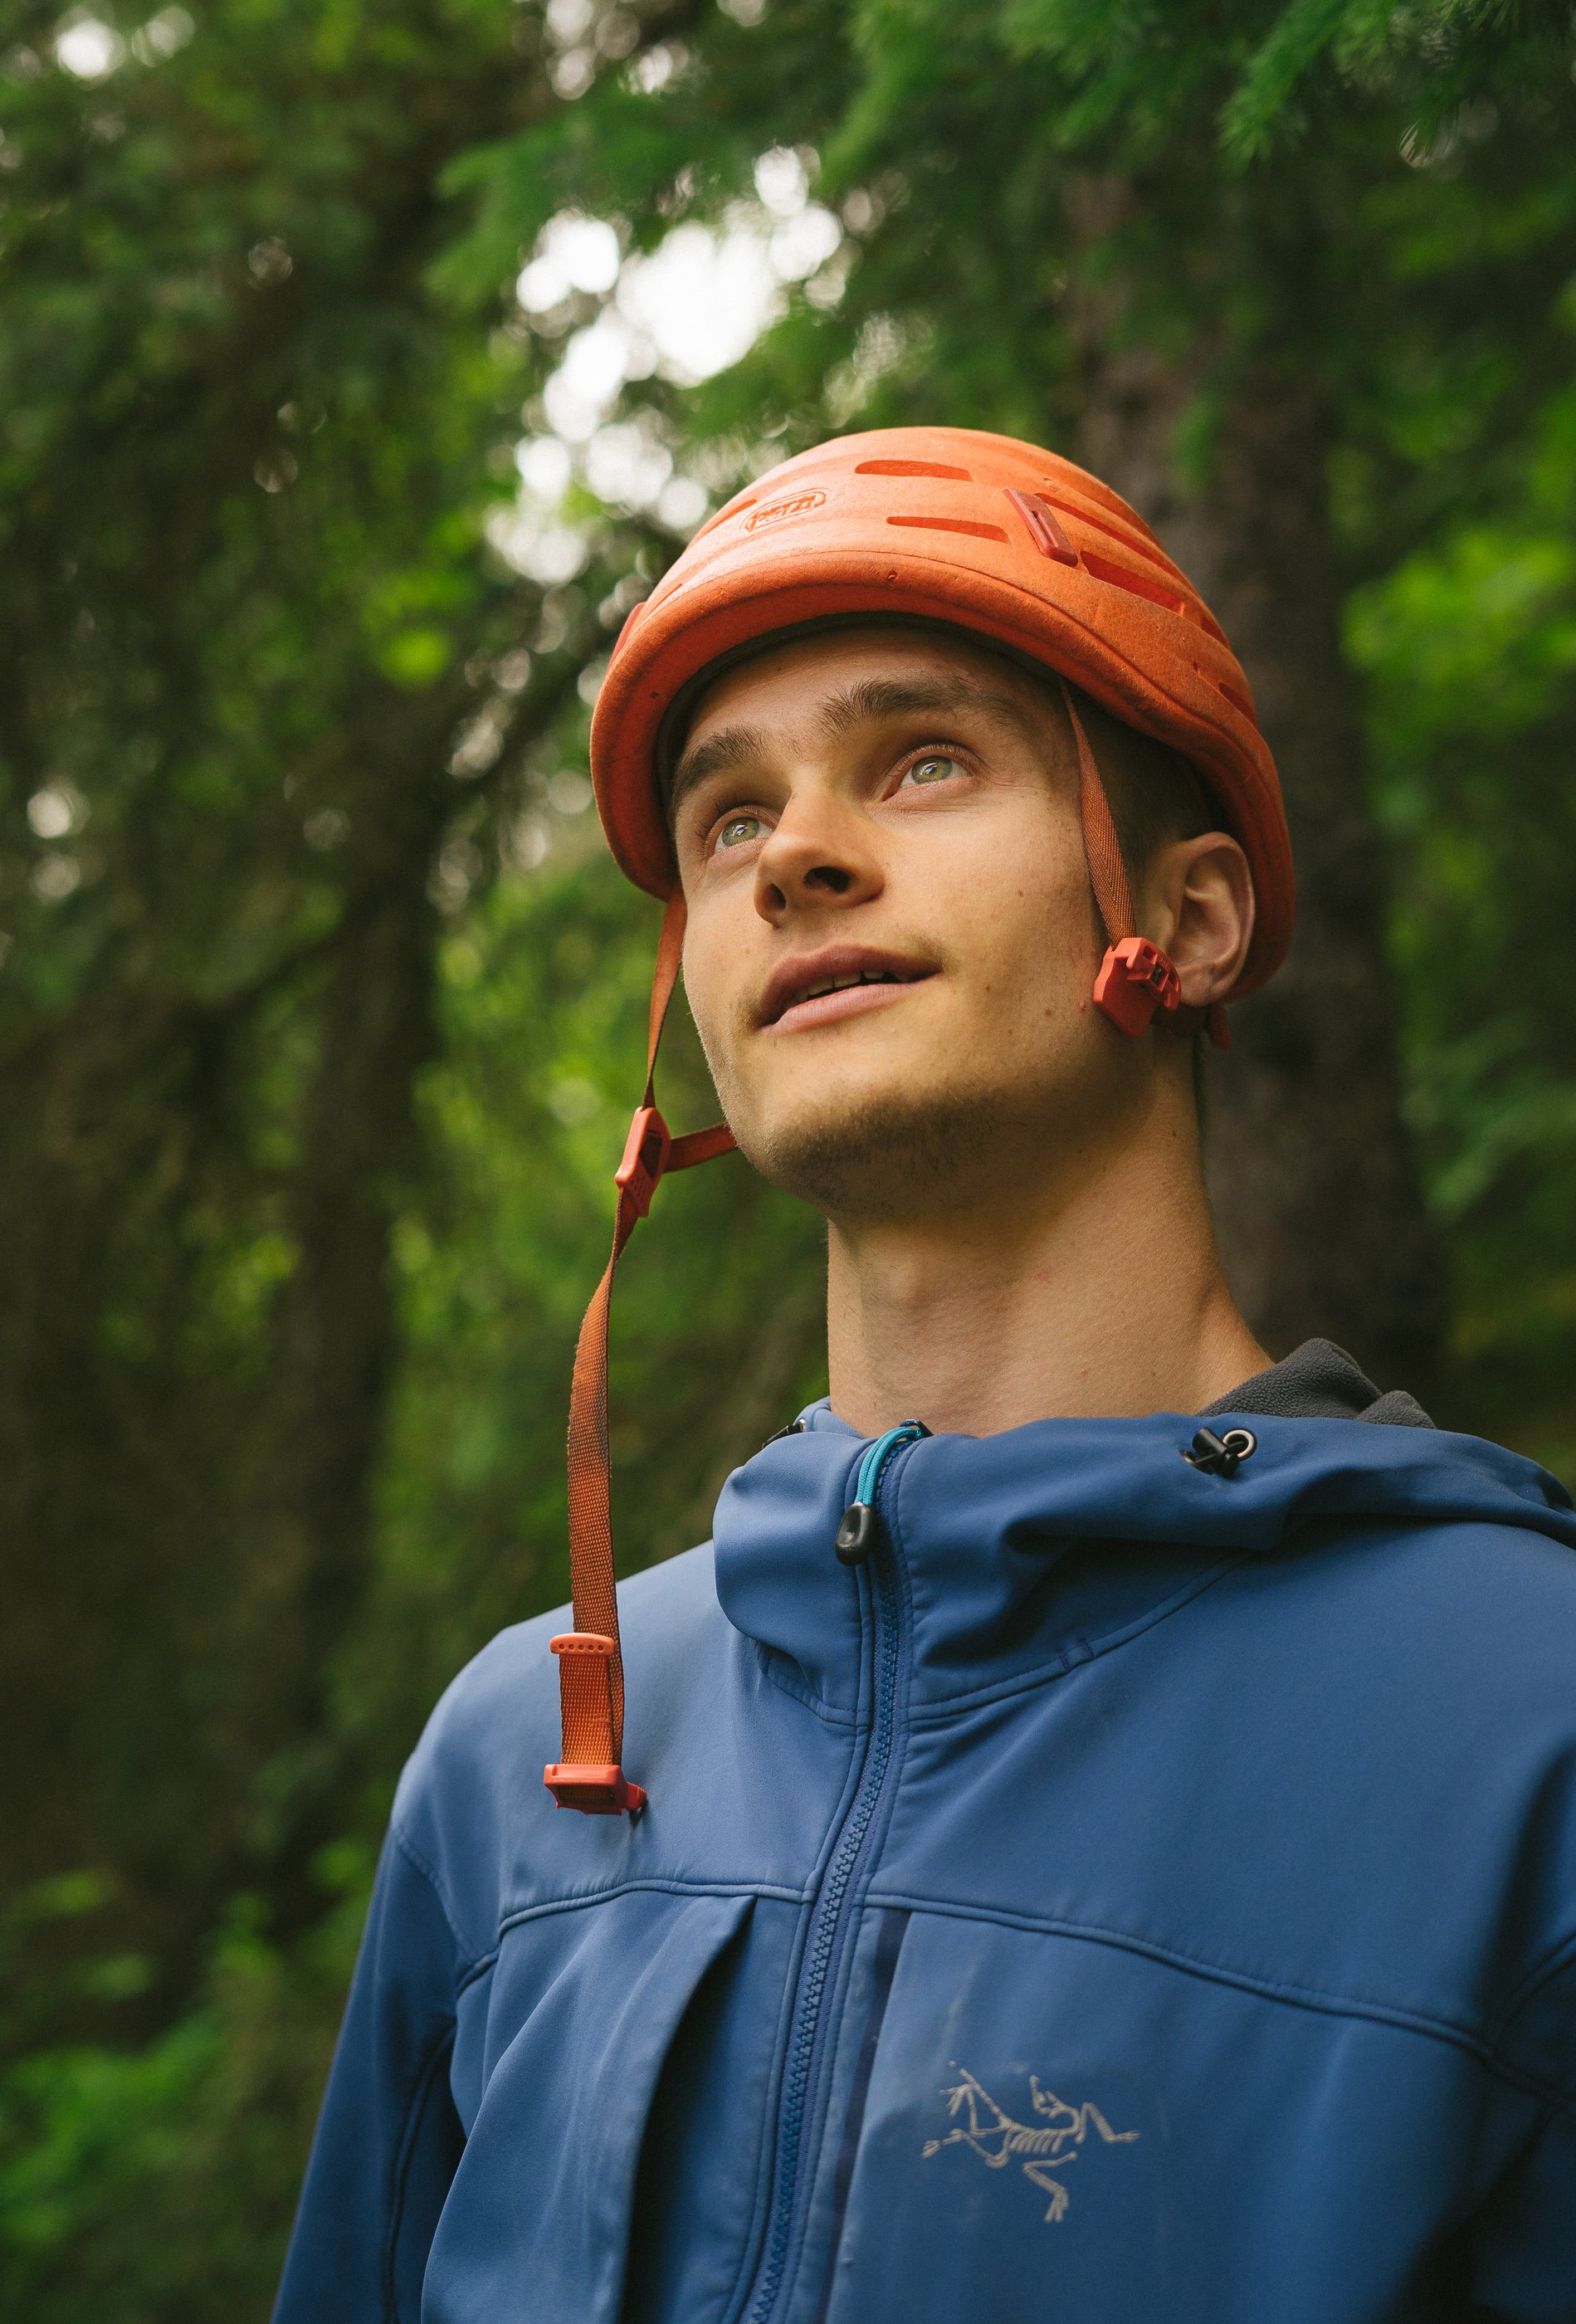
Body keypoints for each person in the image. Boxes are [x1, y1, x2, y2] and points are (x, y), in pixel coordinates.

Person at [273, 428, 1576, 2323]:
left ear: (1190, 923)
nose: (792, 853)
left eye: (923, 760)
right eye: (727, 818)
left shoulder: (1525, 1721)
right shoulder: (520, 1761)